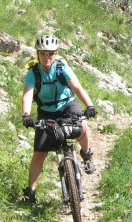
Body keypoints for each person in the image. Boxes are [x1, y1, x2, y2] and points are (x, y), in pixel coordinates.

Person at [20, 34, 97, 205]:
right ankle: (30, 192)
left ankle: (86, 154)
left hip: (67, 105)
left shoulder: (62, 68)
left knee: (82, 125)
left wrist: (90, 105)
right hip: (46, 111)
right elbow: (27, 94)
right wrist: (26, 114)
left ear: (56, 54)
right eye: (43, 53)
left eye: (51, 53)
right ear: (38, 54)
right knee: (39, 153)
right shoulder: (33, 73)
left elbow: (77, 87)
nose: (47, 57)